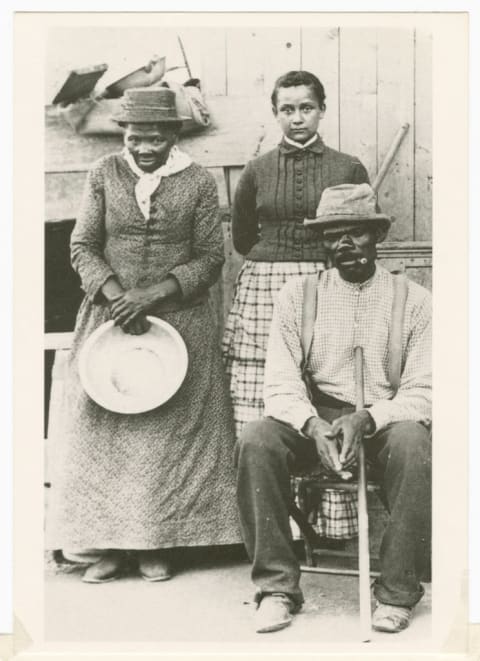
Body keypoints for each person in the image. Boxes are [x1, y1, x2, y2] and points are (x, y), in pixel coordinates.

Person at [47, 87, 240, 583]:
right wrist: (117, 296)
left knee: (165, 435)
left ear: (173, 134)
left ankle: (158, 544)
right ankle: (110, 546)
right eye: (135, 138)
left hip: (178, 319)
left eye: (155, 138)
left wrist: (150, 295)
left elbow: (210, 258)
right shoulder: (104, 174)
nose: (144, 148)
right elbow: (83, 245)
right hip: (111, 319)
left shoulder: (195, 181)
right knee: (107, 430)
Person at [235, 183, 431, 634]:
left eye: (355, 233)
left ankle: (398, 592)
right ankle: (277, 588)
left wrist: (368, 418)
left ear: (376, 236)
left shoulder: (415, 301)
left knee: (414, 441)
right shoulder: (296, 297)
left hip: (382, 419)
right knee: (256, 438)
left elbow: (426, 390)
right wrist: (310, 424)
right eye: (332, 235)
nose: (344, 244)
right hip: (318, 419)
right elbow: (280, 384)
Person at [222, 70, 371, 540]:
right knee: (266, 395)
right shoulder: (257, 169)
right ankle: (275, 523)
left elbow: (360, 232)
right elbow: (244, 236)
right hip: (266, 285)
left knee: (327, 388)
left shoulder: (347, 167)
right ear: (275, 114)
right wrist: (278, 263)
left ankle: (332, 522)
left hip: (330, 282)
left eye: (306, 107)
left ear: (322, 110)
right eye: (287, 109)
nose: (297, 118)